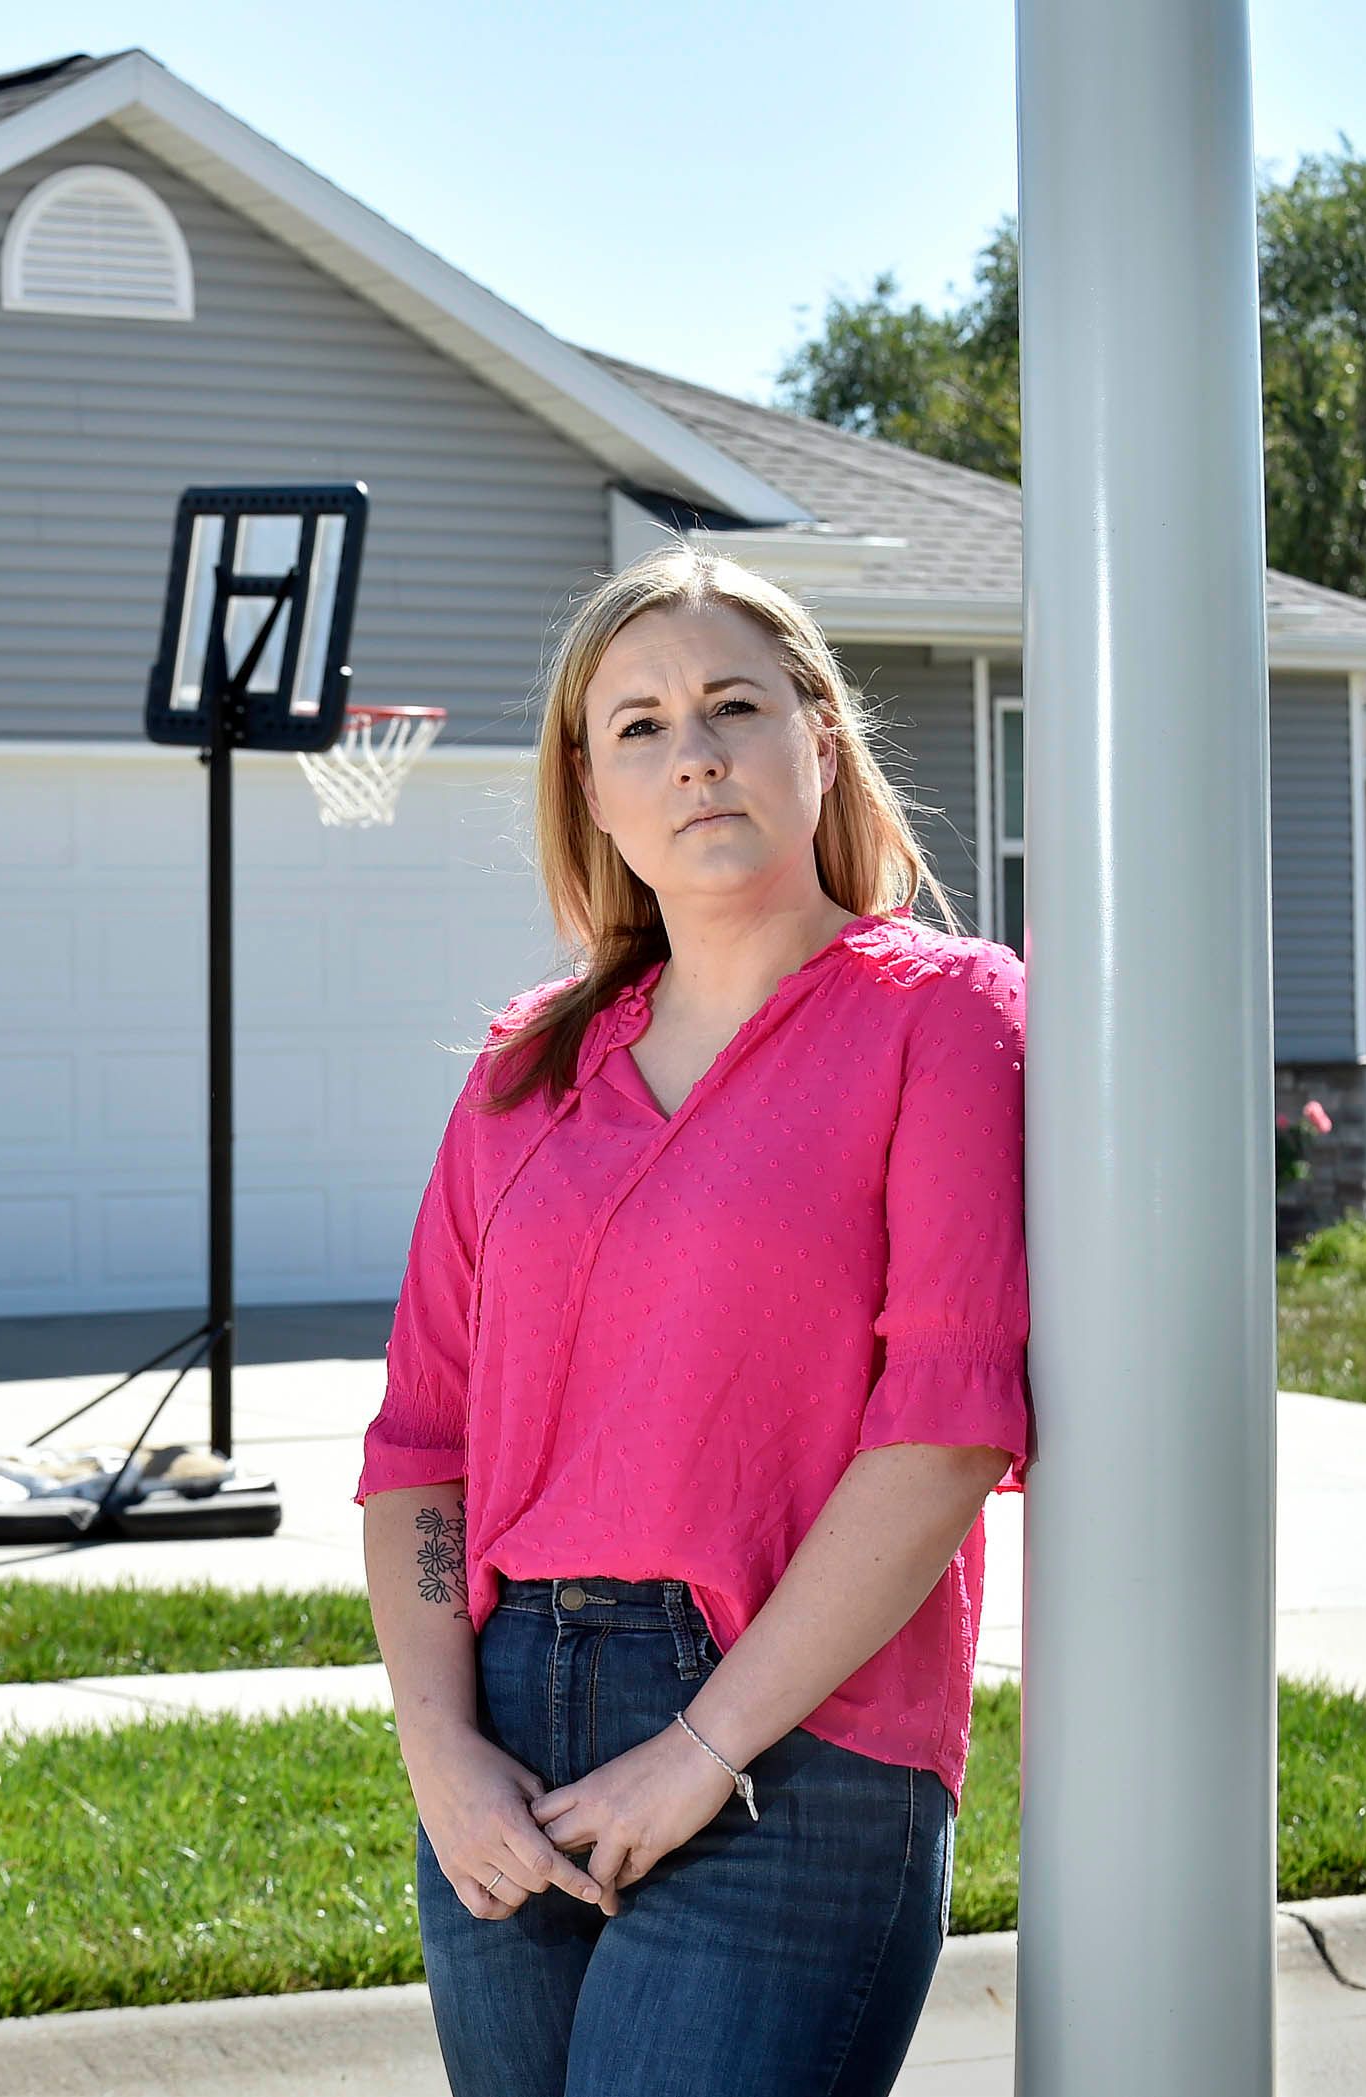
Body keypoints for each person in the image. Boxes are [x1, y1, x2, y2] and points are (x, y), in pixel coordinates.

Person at [358, 545, 1033, 2096]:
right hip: (506, 1723)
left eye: (734, 703)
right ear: (593, 791)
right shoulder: (525, 1064)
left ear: (821, 738)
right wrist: (441, 1752)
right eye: (641, 725)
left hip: (801, 1738)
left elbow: (943, 1429)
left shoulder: (945, 1012)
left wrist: (702, 1749)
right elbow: (419, 1449)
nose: (698, 751)